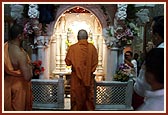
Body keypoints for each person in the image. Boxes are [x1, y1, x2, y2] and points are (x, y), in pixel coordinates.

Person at [133, 16, 164, 108]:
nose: (151, 35)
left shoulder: (157, 55)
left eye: (151, 32)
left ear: (157, 36)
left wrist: (148, 58)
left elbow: (141, 88)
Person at [65, 29, 98, 111]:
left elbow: (68, 62)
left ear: (77, 37)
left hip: (76, 79)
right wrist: (87, 73)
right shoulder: (92, 48)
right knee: (88, 98)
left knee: (76, 98)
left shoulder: (72, 48)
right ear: (87, 37)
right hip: (88, 79)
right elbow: (95, 63)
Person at [4, 24, 33, 111]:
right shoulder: (20, 54)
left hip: (6, 84)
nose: (26, 36)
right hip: (19, 87)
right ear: (19, 36)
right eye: (24, 34)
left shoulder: (5, 47)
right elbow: (27, 77)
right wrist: (30, 66)